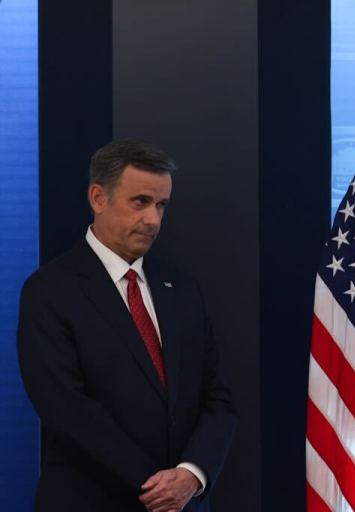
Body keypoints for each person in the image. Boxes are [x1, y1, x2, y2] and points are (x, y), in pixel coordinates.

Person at [17, 140, 237, 511]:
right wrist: (156, 487)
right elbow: (68, 411)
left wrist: (190, 475)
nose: (153, 219)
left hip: (184, 503)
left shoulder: (182, 289)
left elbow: (216, 398)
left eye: (161, 205)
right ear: (98, 198)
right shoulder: (49, 291)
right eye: (140, 202)